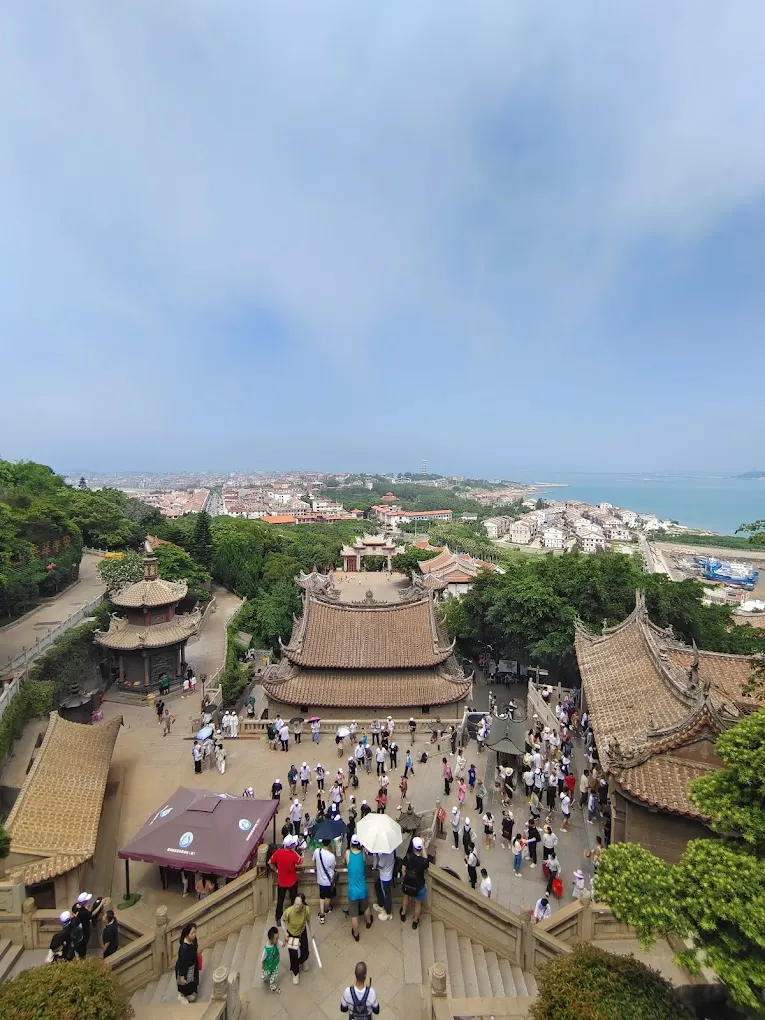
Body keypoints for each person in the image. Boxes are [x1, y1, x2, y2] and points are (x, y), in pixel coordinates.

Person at [269, 835, 302, 925]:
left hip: (281, 881)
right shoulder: (293, 855)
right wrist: (294, 851)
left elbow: (270, 863)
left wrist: (276, 870)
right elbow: (300, 861)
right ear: (291, 845)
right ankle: (293, 917)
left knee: (280, 900)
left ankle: (278, 918)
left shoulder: (278, 853)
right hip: (292, 881)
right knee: (293, 900)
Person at [346, 835, 373, 941]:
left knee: (354, 915)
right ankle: (368, 922)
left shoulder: (348, 853)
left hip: (352, 891)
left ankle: (356, 934)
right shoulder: (362, 854)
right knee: (366, 907)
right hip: (362, 888)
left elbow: (345, 862)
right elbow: (367, 862)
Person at [281, 894, 311, 985]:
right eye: (295, 904)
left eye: (298, 905)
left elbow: (308, 921)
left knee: (305, 949)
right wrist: (285, 932)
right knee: (293, 954)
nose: (296, 906)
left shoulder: (306, 910)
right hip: (292, 933)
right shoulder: (289, 911)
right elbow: (282, 920)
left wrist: (311, 930)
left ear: (302, 905)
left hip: (302, 931)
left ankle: (303, 959)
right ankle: (295, 972)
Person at [400, 837, 429, 929]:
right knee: (418, 903)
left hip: (408, 884)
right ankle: (415, 920)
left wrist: (406, 880)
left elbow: (403, 870)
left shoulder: (408, 857)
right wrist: (423, 846)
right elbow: (426, 858)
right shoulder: (423, 861)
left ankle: (403, 913)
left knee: (406, 897)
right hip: (419, 885)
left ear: (413, 847)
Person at [175, 922, 199, 1002]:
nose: (194, 935)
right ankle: (183, 995)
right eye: (192, 933)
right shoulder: (184, 948)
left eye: (194, 932)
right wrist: (182, 977)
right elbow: (182, 963)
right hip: (185, 969)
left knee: (192, 981)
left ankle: (191, 992)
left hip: (193, 966)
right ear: (187, 934)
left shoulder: (193, 940)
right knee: (186, 983)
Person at [314, 839, 336, 923]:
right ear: (329, 843)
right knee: (328, 897)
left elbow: (314, 860)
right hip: (329, 880)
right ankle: (326, 910)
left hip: (320, 879)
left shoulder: (317, 851)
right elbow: (333, 866)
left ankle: (322, 914)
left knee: (321, 897)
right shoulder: (331, 856)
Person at [373, 850, 395, 921]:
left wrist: (376, 856)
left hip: (384, 877)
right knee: (377, 886)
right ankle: (381, 904)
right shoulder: (392, 852)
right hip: (388, 875)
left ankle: (388, 913)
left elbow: (377, 866)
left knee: (386, 895)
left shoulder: (384, 856)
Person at [261, 926, 281, 992]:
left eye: (278, 937)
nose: (278, 939)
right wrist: (262, 965)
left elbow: (282, 944)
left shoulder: (276, 942)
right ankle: (264, 977)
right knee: (266, 973)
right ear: (271, 939)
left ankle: (272, 985)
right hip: (268, 965)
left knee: (274, 975)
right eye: (276, 938)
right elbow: (263, 958)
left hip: (274, 964)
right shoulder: (266, 949)